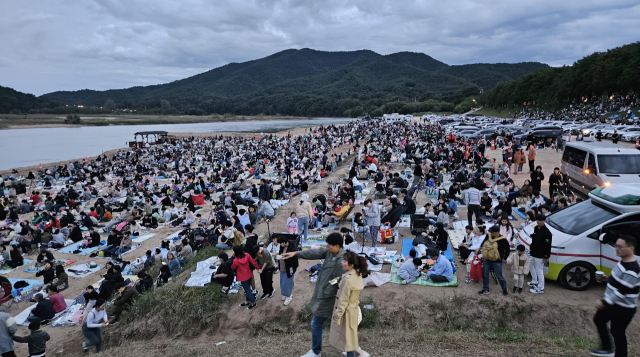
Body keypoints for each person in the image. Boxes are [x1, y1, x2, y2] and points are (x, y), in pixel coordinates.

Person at [281, 233, 345, 357]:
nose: (327, 247)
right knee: (340, 325)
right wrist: (296, 253)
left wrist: (327, 287)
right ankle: (349, 348)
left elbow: (339, 279)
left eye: (329, 245)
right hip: (324, 295)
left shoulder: (341, 260)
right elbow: (314, 253)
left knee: (316, 323)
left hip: (329, 298)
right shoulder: (330, 252)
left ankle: (316, 352)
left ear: (337, 246)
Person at [591, 235, 639, 357]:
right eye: (615, 246)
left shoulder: (633, 270)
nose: (616, 249)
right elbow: (619, 281)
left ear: (631, 248)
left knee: (617, 332)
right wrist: (606, 278)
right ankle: (607, 348)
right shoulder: (622, 262)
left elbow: (622, 291)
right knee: (599, 319)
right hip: (614, 303)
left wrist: (604, 302)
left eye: (620, 246)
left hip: (624, 308)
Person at [329, 251, 370, 357]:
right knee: (350, 339)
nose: (342, 263)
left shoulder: (347, 280)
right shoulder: (357, 274)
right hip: (354, 310)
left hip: (347, 312)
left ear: (351, 265)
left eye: (344, 261)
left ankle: (357, 353)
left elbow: (343, 301)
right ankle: (357, 352)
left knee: (348, 341)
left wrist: (337, 317)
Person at [477, 225, 510, 296]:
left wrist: (504, 258)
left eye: (492, 232)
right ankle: (485, 289)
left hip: (497, 261)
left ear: (497, 232)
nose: (491, 233)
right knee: (485, 275)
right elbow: (483, 243)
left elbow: (507, 250)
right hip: (487, 259)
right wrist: (478, 250)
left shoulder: (503, 240)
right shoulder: (488, 236)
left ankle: (504, 289)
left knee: (499, 276)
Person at [528, 214, 552, 294]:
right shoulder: (536, 228)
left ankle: (540, 288)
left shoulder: (546, 232)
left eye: (540, 221)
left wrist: (546, 256)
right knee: (530, 266)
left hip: (540, 254)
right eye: (537, 221)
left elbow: (547, 245)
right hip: (533, 251)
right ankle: (534, 281)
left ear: (544, 221)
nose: (538, 222)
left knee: (539, 270)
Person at [231, 245, 260, 310]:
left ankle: (253, 303)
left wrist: (233, 257)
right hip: (249, 274)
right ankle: (246, 302)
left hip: (242, 277)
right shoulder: (247, 255)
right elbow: (253, 262)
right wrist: (258, 269)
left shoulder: (236, 260)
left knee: (247, 290)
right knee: (248, 289)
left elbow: (233, 267)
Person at [277, 237, 298, 305]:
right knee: (283, 281)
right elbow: (281, 253)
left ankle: (289, 296)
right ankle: (286, 294)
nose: (280, 245)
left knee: (288, 281)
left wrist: (285, 259)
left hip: (290, 268)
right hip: (283, 267)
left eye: (281, 243)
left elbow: (293, 259)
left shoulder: (292, 248)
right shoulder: (282, 247)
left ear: (285, 242)